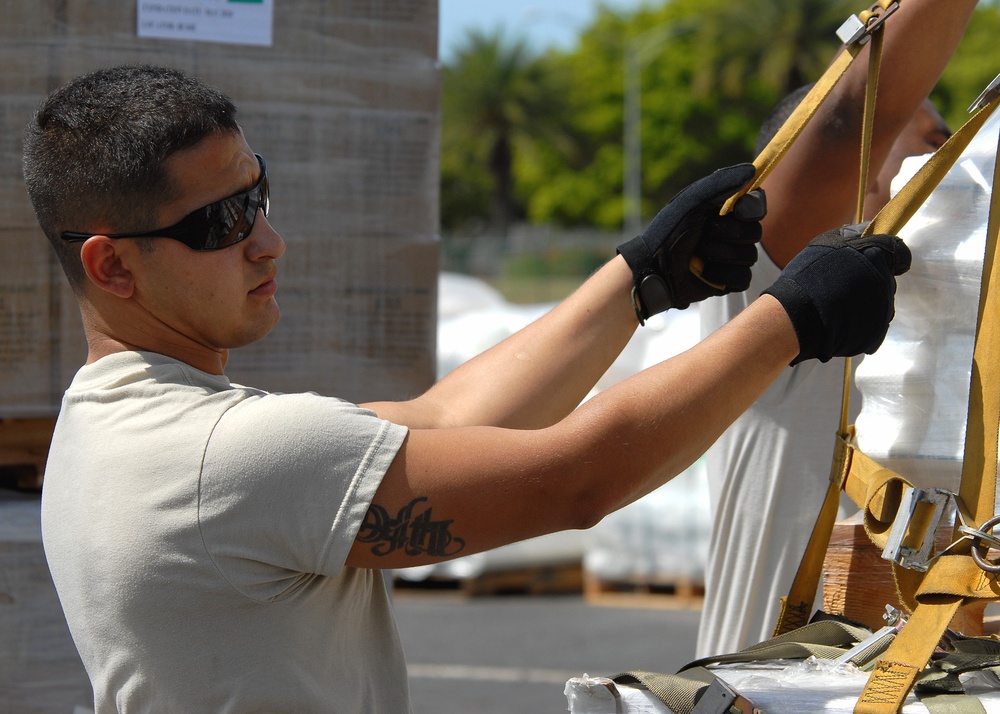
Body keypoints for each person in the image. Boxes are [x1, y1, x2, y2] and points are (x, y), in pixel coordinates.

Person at [24, 64, 908, 713]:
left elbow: (448, 419)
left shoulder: (109, 427)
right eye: (220, 222)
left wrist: (641, 279)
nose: (267, 241)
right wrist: (791, 318)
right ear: (111, 265)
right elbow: (577, 477)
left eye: (259, 194)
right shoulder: (225, 458)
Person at [696, 0, 978, 658]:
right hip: (764, 692)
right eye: (937, 141)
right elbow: (854, 119)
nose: (958, 164)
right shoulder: (779, 297)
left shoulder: (951, 337)